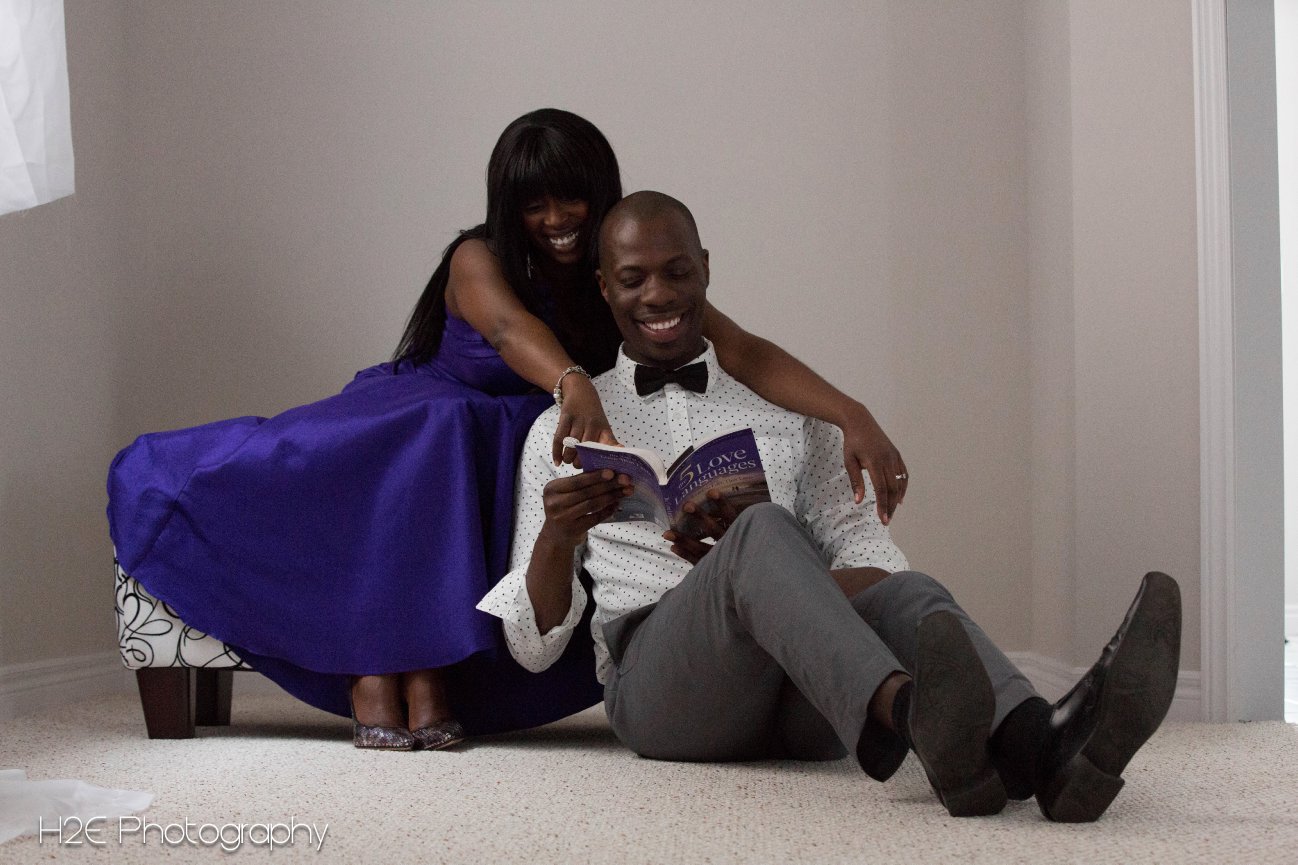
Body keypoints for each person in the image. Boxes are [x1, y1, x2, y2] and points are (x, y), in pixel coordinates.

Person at [107, 110, 908, 751]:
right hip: (424, 422)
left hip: (523, 440)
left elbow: (742, 350)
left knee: (518, 449)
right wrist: (571, 381)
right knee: (444, 431)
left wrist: (852, 413)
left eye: (571, 198)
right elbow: (506, 330)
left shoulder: (628, 271)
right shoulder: (477, 257)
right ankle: (384, 665)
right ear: (508, 206)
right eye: (534, 202)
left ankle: (439, 671)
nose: (555, 218)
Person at [479, 191, 1182, 821]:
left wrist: (780, 585)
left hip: (803, 700)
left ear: (707, 270)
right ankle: (914, 712)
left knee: (908, 592)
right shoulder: (564, 430)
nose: (657, 294)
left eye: (677, 271)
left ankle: (1044, 746)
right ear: (605, 287)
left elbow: (870, 556)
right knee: (760, 531)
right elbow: (532, 649)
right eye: (634, 279)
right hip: (665, 697)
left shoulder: (789, 412)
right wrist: (557, 539)